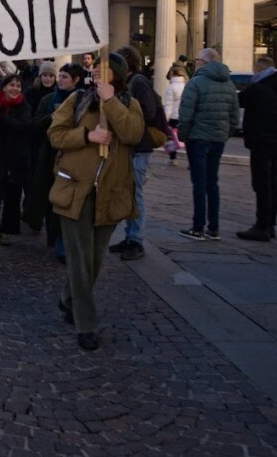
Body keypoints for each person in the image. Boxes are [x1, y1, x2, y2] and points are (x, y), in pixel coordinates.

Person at [48, 52, 144, 352]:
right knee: (79, 260)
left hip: (111, 194)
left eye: (106, 71)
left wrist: (111, 102)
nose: (98, 75)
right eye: (96, 70)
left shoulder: (130, 104)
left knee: (95, 260)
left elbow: (133, 133)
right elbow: (55, 134)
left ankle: (68, 299)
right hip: (77, 190)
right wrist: (89, 136)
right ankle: (85, 323)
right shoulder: (77, 101)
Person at [24, 62, 88, 262]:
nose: (59, 80)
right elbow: (34, 125)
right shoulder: (48, 99)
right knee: (51, 195)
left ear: (76, 80)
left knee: (68, 199)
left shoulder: (85, 101)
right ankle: (53, 236)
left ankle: (64, 241)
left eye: (64, 77)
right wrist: (50, 119)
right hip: (49, 154)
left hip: (73, 156)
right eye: (59, 76)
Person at [176, 47, 238, 241]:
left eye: (196, 60)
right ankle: (214, 227)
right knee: (212, 182)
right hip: (218, 139)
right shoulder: (229, 84)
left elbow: (186, 115)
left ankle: (198, 227)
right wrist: (225, 134)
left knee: (199, 183)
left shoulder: (196, 83)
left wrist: (184, 137)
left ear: (203, 62)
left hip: (198, 138)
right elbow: (234, 117)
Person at [108, 45, 159, 261]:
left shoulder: (138, 82)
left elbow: (148, 111)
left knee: (135, 193)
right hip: (131, 146)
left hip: (139, 145)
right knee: (128, 192)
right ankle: (130, 236)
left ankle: (136, 240)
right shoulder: (131, 82)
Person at [235, 56, 277, 242]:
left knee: (261, 183)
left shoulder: (258, 89)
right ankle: (270, 224)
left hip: (261, 139)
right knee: (272, 182)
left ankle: (262, 225)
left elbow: (239, 100)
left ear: (259, 69)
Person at [0, 73, 33, 252]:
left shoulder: (24, 105)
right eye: (11, 85)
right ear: (3, 87)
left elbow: (25, 127)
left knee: (12, 197)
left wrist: (2, 119)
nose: (15, 89)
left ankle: (5, 230)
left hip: (16, 157)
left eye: (18, 86)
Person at [163, 65, 188, 165]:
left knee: (172, 138)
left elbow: (168, 105)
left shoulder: (171, 87)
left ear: (173, 74)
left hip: (174, 117)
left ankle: (173, 159)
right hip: (185, 116)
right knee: (187, 139)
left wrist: (165, 119)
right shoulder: (187, 86)